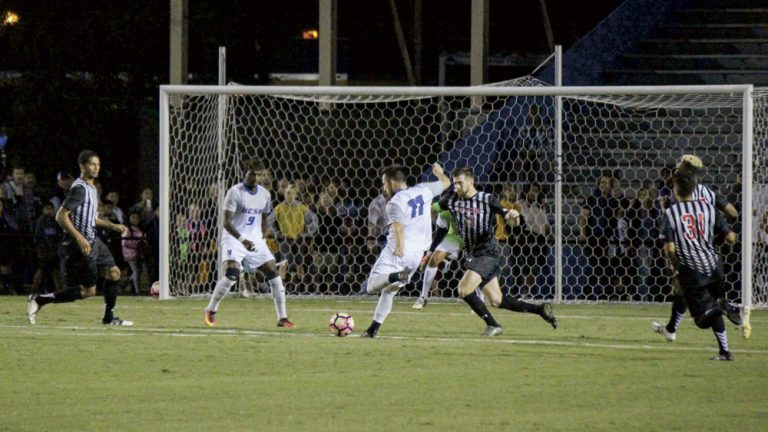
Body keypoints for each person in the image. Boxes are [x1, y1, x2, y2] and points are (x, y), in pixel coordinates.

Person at [434, 167, 557, 336]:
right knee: (496, 300)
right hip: (474, 253)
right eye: (455, 184)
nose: (457, 187)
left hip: (487, 252)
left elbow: (507, 216)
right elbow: (433, 211)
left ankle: (493, 325)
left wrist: (513, 216)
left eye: (460, 183)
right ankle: (540, 310)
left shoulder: (487, 199)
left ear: (471, 182)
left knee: (463, 289)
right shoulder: (451, 199)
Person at [27, 150, 132, 326]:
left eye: (98, 164)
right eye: (92, 164)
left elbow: (91, 218)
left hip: (94, 240)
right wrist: (79, 238)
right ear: (82, 166)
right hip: (82, 244)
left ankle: (109, 318)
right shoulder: (79, 189)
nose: (96, 168)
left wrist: (113, 226)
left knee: (114, 273)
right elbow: (61, 216)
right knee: (88, 291)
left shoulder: (91, 188)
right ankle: (40, 300)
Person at [652, 155, 740, 341]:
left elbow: (675, 223)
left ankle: (674, 329)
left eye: (679, 163)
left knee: (688, 292)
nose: (676, 166)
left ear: (684, 169)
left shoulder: (677, 192)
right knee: (684, 291)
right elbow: (732, 211)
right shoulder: (707, 192)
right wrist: (722, 230)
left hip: (685, 250)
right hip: (708, 250)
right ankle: (671, 329)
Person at [359, 163, 451, 338]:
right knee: (389, 291)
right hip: (417, 255)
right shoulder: (424, 190)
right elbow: (446, 183)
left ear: (393, 182)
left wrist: (400, 247)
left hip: (397, 252)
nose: (383, 187)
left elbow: (398, 227)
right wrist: (440, 173)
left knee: (371, 286)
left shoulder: (394, 202)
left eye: (384, 183)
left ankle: (395, 275)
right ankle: (373, 330)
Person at [204, 159, 295, 328]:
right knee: (232, 273)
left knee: (273, 273)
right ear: (245, 173)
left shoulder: (265, 194)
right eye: (253, 174)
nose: (257, 177)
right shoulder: (234, 192)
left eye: (260, 175)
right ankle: (211, 309)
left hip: (254, 240)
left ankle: (282, 318)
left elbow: (265, 217)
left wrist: (261, 236)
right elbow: (226, 222)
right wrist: (242, 240)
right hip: (234, 238)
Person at [412, 200, 465, 310]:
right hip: (455, 237)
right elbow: (439, 235)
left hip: (475, 237)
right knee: (434, 259)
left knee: (475, 266)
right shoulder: (445, 214)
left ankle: (481, 298)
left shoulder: (473, 209)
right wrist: (428, 254)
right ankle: (423, 297)